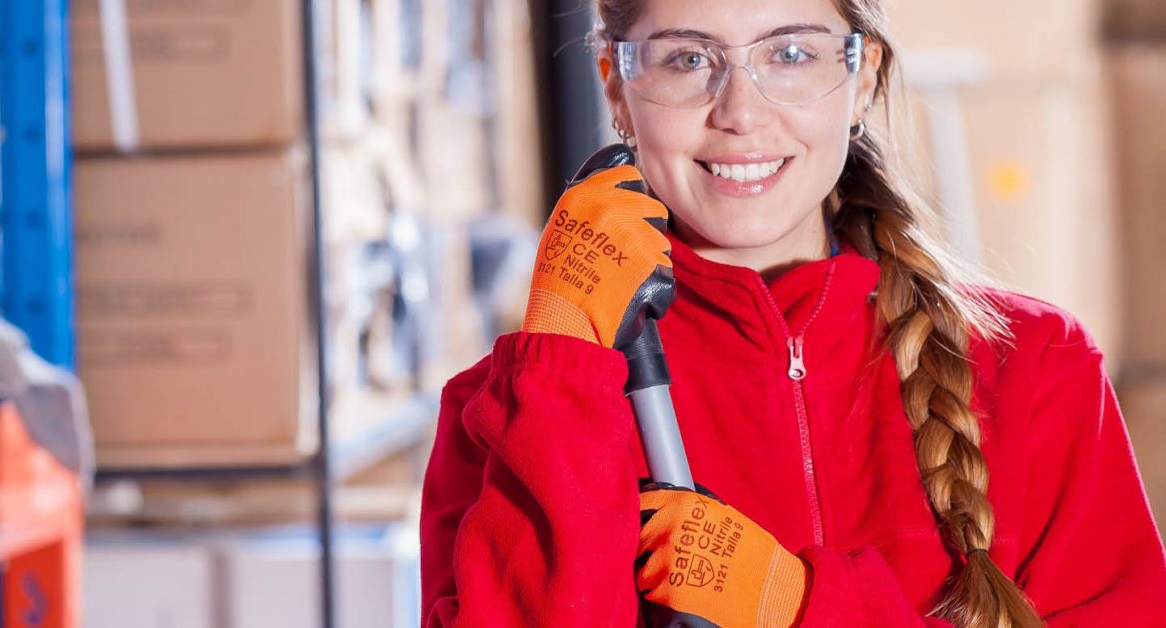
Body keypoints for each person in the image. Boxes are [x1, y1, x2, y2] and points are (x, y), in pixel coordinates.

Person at [419, 0, 1166, 625]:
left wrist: (804, 607)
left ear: (862, 74)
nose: (742, 114)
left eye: (792, 55)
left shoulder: (1035, 366)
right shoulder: (511, 410)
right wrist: (559, 370)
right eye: (687, 59)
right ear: (616, 84)